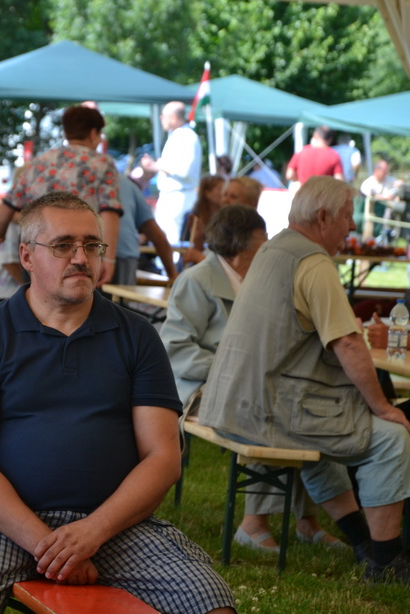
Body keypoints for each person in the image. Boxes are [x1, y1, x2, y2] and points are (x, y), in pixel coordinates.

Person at [0, 191, 235, 614]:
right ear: (27, 256)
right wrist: (50, 545)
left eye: (91, 245)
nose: (81, 258)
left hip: (116, 528)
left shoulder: (137, 336)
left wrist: (91, 533)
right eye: (63, 245)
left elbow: (162, 459)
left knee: (210, 603)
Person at [200, 177, 410, 588]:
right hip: (269, 411)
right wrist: (383, 407)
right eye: (347, 218)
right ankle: (386, 561)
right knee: (390, 438)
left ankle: (363, 543)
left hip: (232, 403)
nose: (351, 227)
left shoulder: (273, 249)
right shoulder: (314, 262)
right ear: (322, 217)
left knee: (331, 436)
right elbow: (348, 343)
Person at [160, 205, 342, 553]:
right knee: (264, 409)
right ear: (242, 246)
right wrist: (232, 370)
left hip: (256, 383)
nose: (269, 247)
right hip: (201, 388)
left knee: (307, 406)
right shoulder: (197, 280)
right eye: (263, 241)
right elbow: (175, 348)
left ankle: (309, 521)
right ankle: (253, 524)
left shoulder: (261, 279)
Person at [0, 105, 122, 285]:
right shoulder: (102, 164)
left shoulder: (37, 163)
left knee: (36, 299)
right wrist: (108, 259)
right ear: (93, 133)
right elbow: (109, 212)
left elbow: (8, 205)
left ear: (66, 132)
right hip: (82, 253)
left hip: (38, 250)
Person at [141, 101, 203, 246]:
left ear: (174, 118)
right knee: (163, 239)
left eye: (164, 115)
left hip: (179, 196)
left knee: (171, 240)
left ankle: (171, 262)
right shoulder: (179, 135)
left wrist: (156, 165)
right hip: (173, 195)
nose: (161, 118)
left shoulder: (186, 137)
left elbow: (183, 170)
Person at [113, 175, 178, 285]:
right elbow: (158, 236)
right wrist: (173, 276)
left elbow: (157, 235)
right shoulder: (126, 184)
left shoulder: (83, 174)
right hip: (124, 257)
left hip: (98, 254)